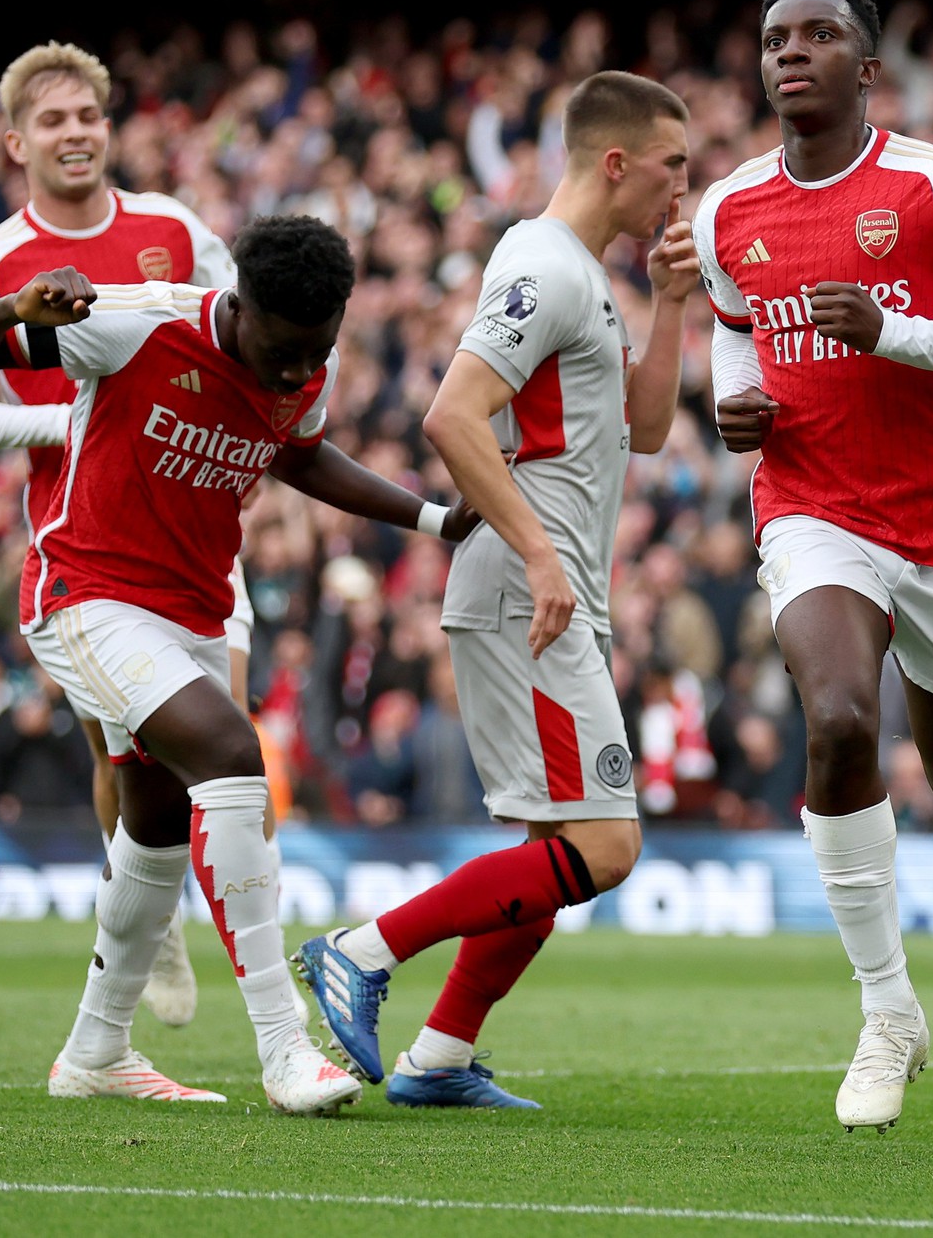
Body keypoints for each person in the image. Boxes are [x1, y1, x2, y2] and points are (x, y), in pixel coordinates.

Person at [0, 214, 479, 1113]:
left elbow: (300, 453)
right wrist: (11, 306)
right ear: (241, 306)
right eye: (287, 350)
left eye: (319, 350)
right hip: (84, 593)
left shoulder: (306, 360)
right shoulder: (133, 323)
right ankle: (283, 1045)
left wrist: (429, 518)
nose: (301, 371)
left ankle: (96, 1051)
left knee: (155, 818)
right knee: (230, 751)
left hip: (190, 610)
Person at [700, 0, 933, 1130]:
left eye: (817, 37)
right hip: (811, 505)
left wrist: (898, 331)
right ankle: (884, 1012)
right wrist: (731, 410)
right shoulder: (727, 209)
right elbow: (732, 339)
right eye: (773, 40)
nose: (789, 54)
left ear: (866, 68)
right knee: (839, 720)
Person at [296, 71, 696, 1110]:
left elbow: (644, 430)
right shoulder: (543, 266)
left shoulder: (590, 277)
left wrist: (674, 302)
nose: (681, 190)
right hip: (530, 588)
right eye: (672, 167)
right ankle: (362, 948)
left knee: (548, 847)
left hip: (547, 584)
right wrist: (538, 550)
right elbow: (451, 416)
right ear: (616, 163)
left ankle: (437, 1058)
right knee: (603, 845)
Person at [0, 41, 257, 1028]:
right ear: (18, 141)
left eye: (88, 118)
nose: (75, 135)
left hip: (197, 528)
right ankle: (157, 928)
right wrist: (58, 423)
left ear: (110, 129)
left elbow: (242, 334)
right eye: (54, 121)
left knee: (212, 743)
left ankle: (218, 953)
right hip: (91, 547)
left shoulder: (172, 229)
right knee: (130, 758)